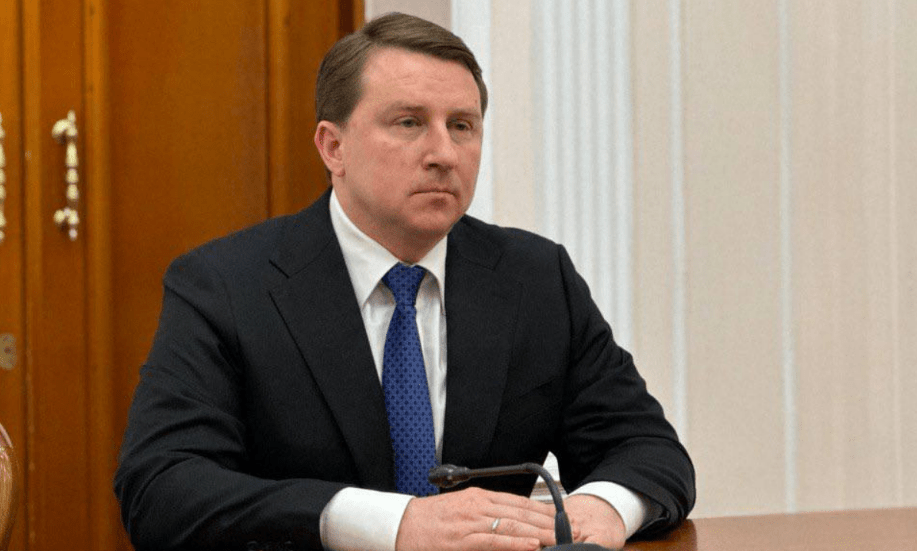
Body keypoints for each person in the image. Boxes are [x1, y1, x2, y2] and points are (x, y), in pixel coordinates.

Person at [114, 12, 694, 551]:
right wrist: (393, 524)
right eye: (409, 122)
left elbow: (646, 448)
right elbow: (162, 487)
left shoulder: (536, 279)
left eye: (462, 126)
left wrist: (601, 509)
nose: (444, 153)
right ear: (333, 147)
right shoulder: (225, 286)